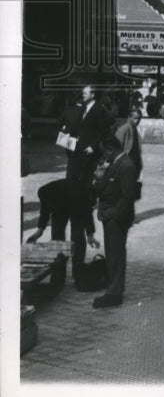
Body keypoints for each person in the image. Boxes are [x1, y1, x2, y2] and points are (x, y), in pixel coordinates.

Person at [91, 136, 138, 308]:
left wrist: (114, 215)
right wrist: (97, 177)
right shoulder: (115, 163)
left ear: (111, 149)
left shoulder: (126, 166)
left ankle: (114, 293)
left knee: (116, 255)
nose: (103, 156)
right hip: (109, 215)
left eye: (104, 152)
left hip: (116, 218)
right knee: (111, 254)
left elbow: (128, 196)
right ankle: (113, 289)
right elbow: (103, 186)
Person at [26, 177, 99, 287]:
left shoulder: (81, 194)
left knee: (77, 237)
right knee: (57, 240)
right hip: (60, 205)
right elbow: (44, 212)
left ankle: (78, 274)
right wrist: (39, 231)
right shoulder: (46, 192)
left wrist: (90, 235)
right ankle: (58, 275)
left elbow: (87, 214)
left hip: (73, 205)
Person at [65, 84, 112, 186]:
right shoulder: (83, 107)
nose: (83, 95)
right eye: (83, 93)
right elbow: (78, 126)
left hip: (89, 150)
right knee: (72, 176)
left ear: (92, 94)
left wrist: (93, 146)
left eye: (85, 93)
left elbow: (102, 131)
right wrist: (69, 135)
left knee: (85, 178)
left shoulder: (99, 110)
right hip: (77, 147)